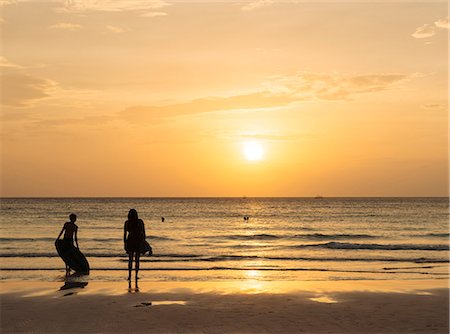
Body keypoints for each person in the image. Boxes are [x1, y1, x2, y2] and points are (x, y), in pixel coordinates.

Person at [123, 209, 146, 281]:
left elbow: (124, 234)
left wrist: (125, 244)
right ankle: (136, 275)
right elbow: (143, 233)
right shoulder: (140, 222)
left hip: (130, 241)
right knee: (137, 260)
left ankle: (129, 276)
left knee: (130, 260)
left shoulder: (127, 222)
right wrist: (143, 242)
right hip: (138, 241)